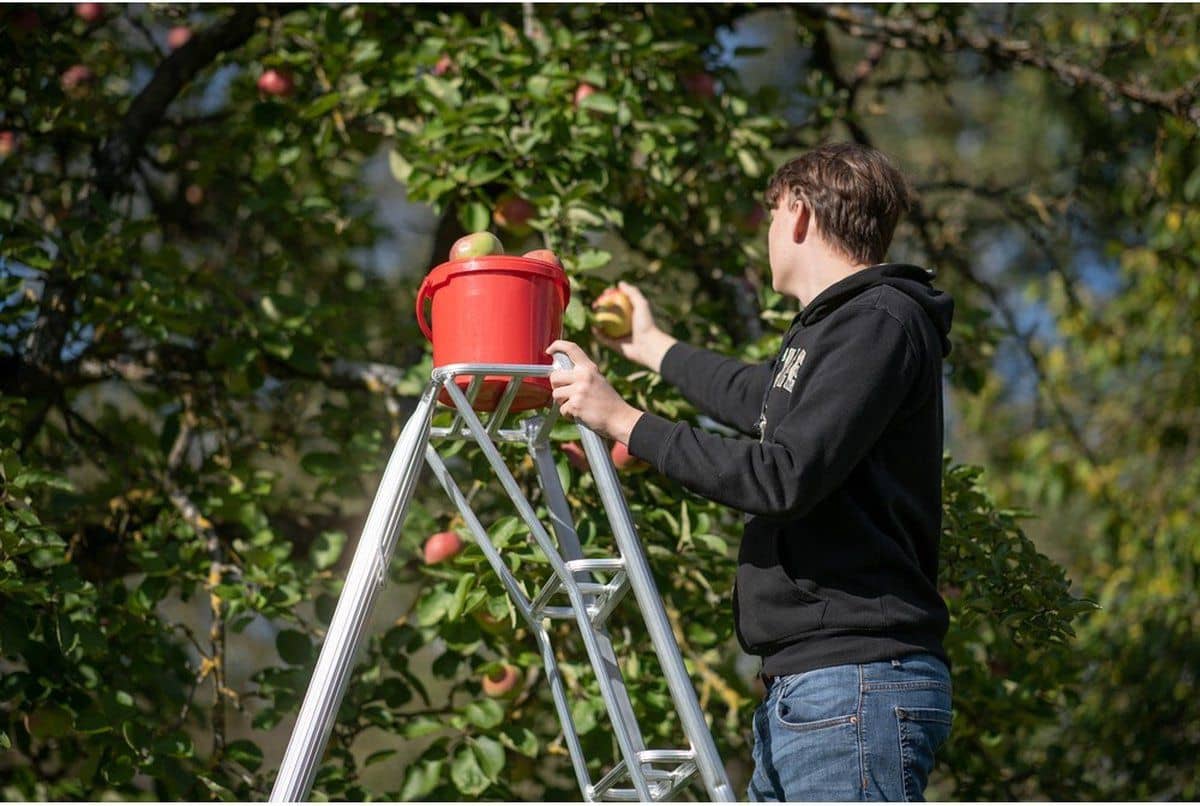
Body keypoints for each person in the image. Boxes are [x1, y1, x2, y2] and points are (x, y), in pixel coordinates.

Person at [546, 141, 955, 802]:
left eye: (770, 218)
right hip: (815, 687)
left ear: (796, 213)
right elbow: (759, 398)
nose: (767, 235)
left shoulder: (880, 320)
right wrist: (649, 347)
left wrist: (622, 420)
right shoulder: (836, 331)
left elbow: (781, 475)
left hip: (853, 682)